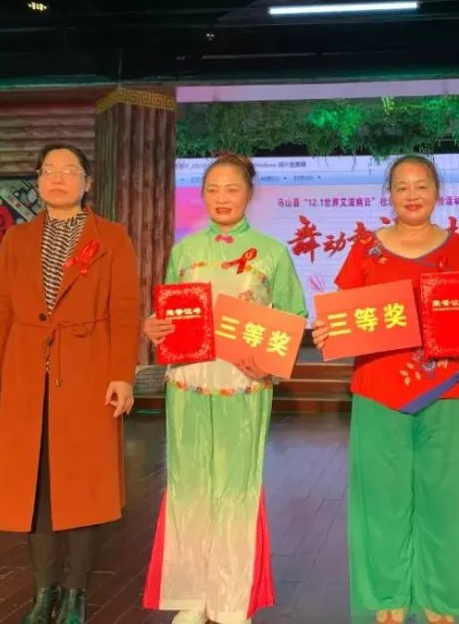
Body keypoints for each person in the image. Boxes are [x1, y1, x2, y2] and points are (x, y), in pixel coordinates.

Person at [313, 154, 459, 624]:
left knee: (447, 496)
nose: (412, 194)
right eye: (401, 186)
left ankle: (444, 599)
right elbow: (343, 312)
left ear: (437, 192)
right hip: (379, 388)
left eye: (421, 185)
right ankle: (387, 597)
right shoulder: (366, 249)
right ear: (389, 195)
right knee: (381, 496)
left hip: (447, 387)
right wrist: (327, 329)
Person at [0, 143, 141, 624]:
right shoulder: (18, 238)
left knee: (83, 487)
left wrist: (121, 375)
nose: (58, 178)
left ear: (87, 182)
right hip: (25, 377)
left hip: (88, 374)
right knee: (34, 488)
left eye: (69, 171)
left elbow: (125, 311)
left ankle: (75, 592)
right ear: (38, 181)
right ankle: (44, 591)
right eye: (48, 171)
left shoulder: (111, 237)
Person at [141, 153, 307, 624]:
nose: (222, 198)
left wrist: (267, 359)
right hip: (189, 383)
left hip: (244, 384)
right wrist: (154, 326)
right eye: (212, 189)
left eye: (232, 188)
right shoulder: (185, 251)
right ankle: (192, 596)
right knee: (189, 484)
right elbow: (170, 312)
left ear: (249, 193)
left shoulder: (272, 253)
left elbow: (293, 318)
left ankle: (232, 599)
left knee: (237, 487)